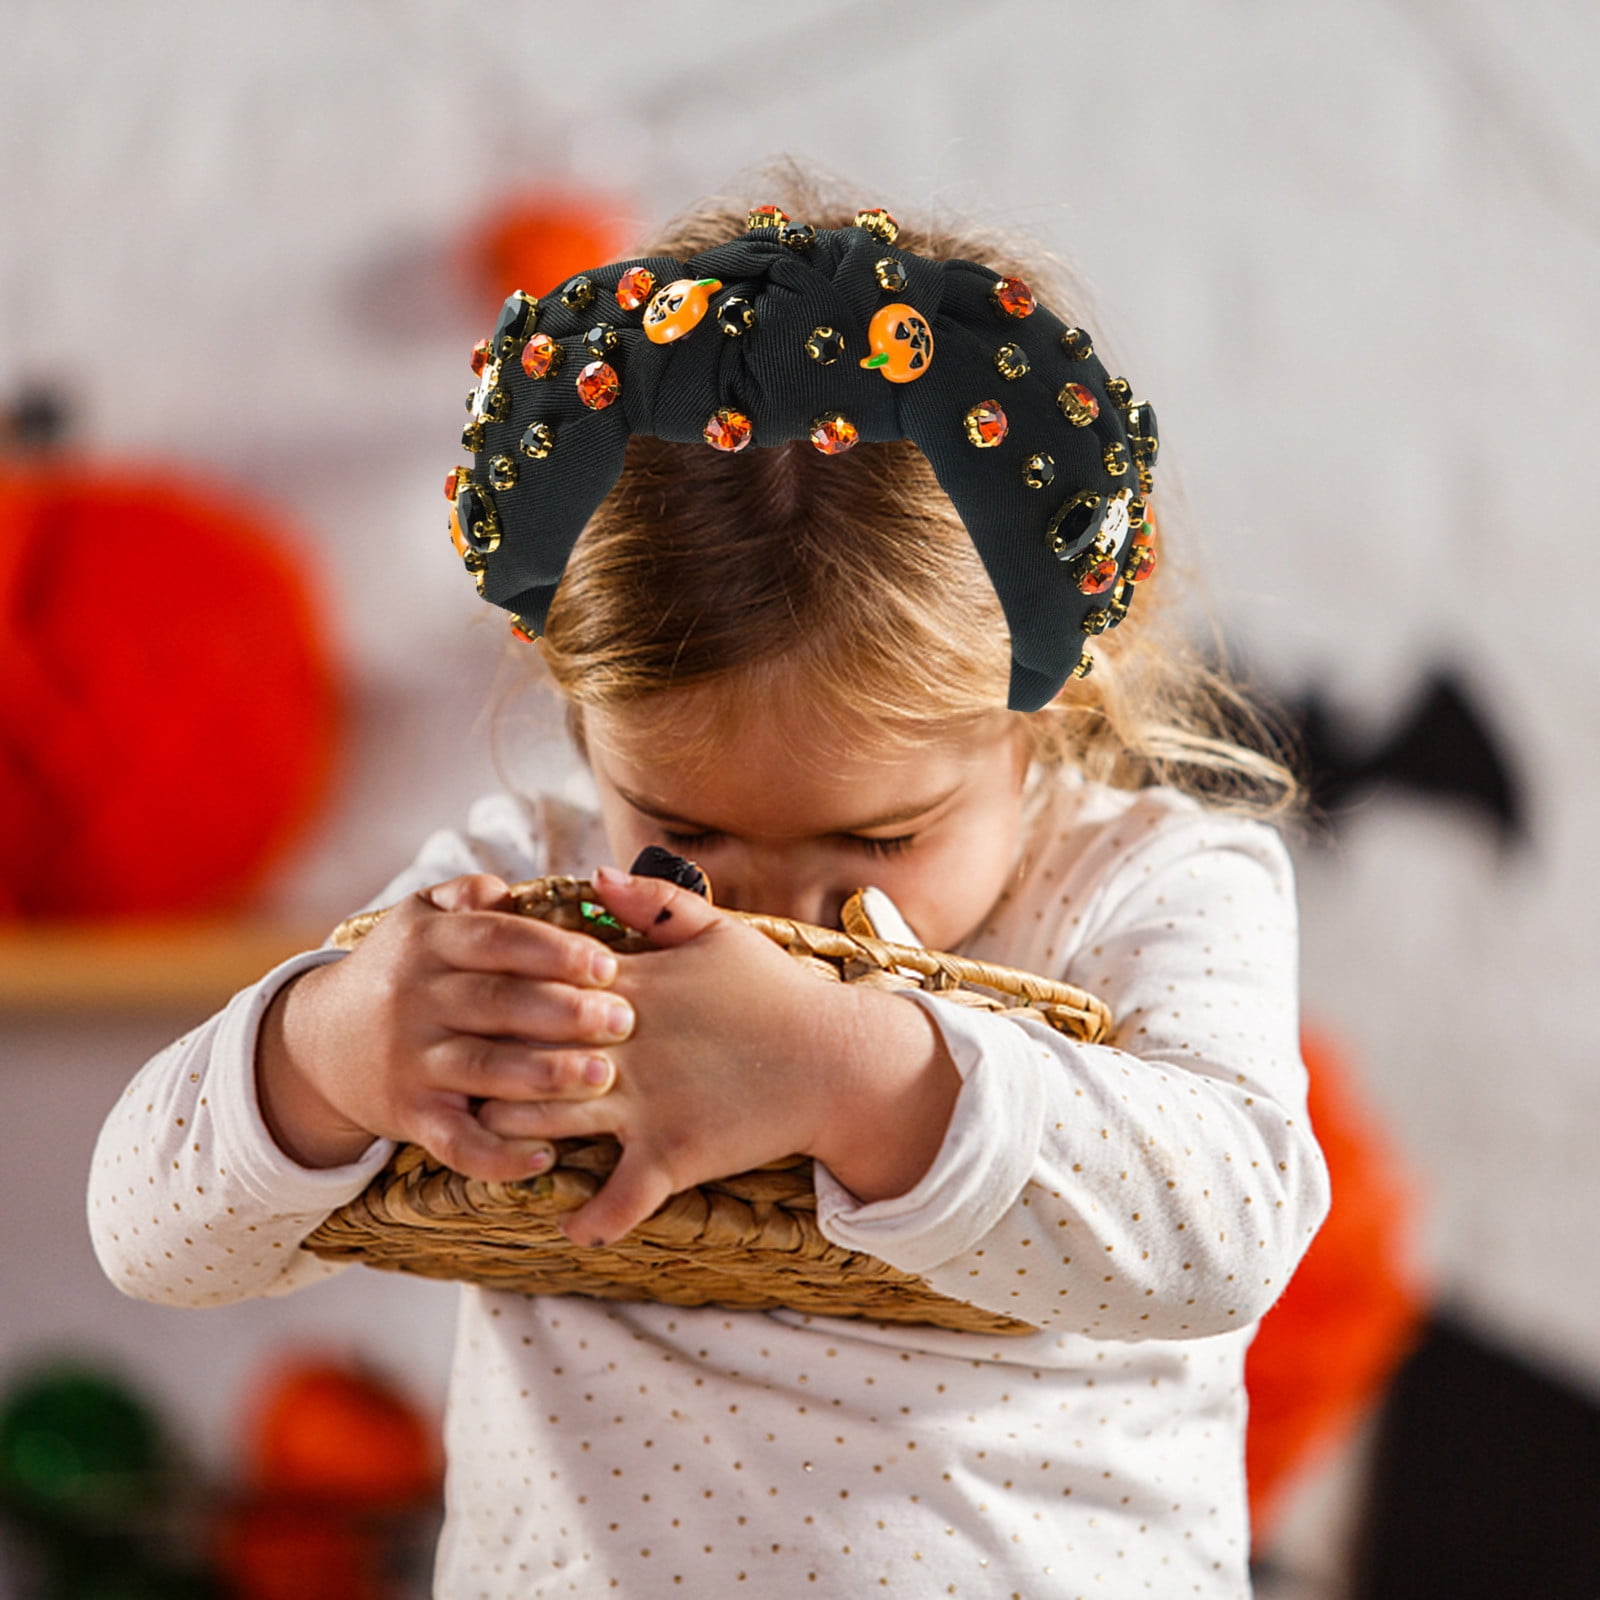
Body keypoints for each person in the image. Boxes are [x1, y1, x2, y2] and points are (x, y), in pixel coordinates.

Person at [89, 166, 1331, 1597]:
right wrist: (330, 1051)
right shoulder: (530, 879)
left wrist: (851, 1069)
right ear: (573, 707)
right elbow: (148, 1237)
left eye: (878, 843)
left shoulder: (1145, 884)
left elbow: (1226, 1236)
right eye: (681, 829)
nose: (773, 921)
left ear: (1048, 703)